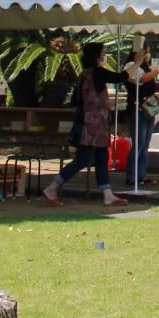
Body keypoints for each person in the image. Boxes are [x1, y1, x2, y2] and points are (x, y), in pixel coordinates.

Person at [43, 42, 127, 207]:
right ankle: (52, 187)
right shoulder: (97, 73)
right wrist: (136, 62)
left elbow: (75, 100)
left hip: (92, 125)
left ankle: (107, 194)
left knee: (102, 157)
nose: (104, 56)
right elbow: (120, 77)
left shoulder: (84, 75)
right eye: (103, 53)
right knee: (82, 160)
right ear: (96, 56)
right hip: (91, 127)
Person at [121, 45, 159, 188]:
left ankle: (141, 174)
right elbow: (141, 79)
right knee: (138, 143)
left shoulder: (146, 67)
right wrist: (157, 70)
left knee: (145, 144)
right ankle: (131, 176)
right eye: (146, 51)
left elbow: (149, 84)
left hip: (148, 109)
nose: (148, 54)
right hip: (136, 108)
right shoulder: (131, 65)